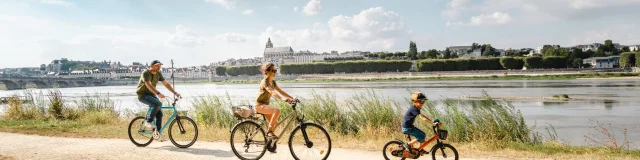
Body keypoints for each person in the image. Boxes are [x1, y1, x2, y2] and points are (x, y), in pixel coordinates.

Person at [136, 60, 181, 142]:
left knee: (159, 114)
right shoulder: (145, 73)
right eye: (157, 66)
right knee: (158, 103)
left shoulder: (158, 73)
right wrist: (158, 93)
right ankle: (148, 121)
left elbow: (166, 84)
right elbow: (148, 85)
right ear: (151, 65)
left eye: (160, 66)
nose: (159, 67)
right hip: (142, 95)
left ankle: (158, 134)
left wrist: (175, 93)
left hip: (151, 95)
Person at [255, 62, 294, 143]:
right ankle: (269, 132)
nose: (275, 72)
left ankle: (270, 143)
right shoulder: (264, 82)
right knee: (277, 110)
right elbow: (273, 92)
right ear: (267, 71)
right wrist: (283, 99)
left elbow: (281, 91)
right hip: (259, 106)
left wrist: (292, 98)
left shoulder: (273, 82)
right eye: (273, 70)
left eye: (275, 70)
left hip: (265, 106)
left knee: (275, 123)